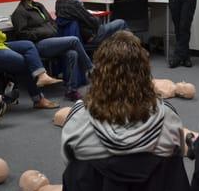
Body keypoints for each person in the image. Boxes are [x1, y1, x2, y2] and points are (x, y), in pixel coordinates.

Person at [61, 31, 183, 164]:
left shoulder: (78, 121)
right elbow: (177, 161)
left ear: (98, 73)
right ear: (145, 73)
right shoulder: (168, 118)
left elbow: (70, 167)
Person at [11, 0, 94, 101]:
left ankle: (71, 90)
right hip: (38, 45)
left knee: (72, 53)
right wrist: (44, 31)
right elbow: (23, 35)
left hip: (51, 41)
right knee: (74, 40)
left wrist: (52, 30)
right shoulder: (20, 12)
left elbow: (52, 22)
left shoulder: (38, 6)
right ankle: (91, 69)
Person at [54, 0, 128, 45]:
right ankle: (132, 51)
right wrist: (97, 19)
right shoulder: (73, 4)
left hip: (81, 35)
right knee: (121, 22)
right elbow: (93, 22)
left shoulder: (58, 3)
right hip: (91, 36)